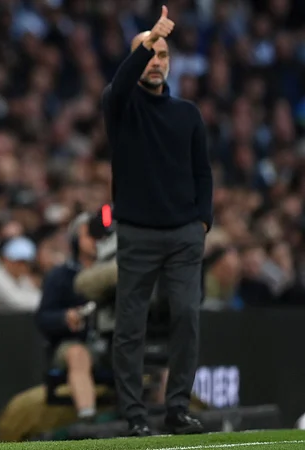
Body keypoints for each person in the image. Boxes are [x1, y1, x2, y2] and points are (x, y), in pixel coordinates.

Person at [102, 6, 213, 437]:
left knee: (186, 315)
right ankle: (134, 414)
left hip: (185, 233)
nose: (155, 61)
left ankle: (177, 408)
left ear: (171, 62)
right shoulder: (121, 106)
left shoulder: (188, 114)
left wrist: (203, 221)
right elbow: (119, 85)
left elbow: (202, 173)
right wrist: (148, 40)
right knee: (130, 326)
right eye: (148, 53)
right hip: (137, 232)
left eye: (163, 54)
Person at [35, 213, 101, 421]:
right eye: (90, 235)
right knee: (76, 354)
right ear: (76, 240)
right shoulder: (61, 275)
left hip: (115, 341)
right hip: (75, 341)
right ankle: (88, 417)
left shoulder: (120, 271)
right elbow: (43, 317)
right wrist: (65, 317)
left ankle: (163, 413)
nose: (97, 240)